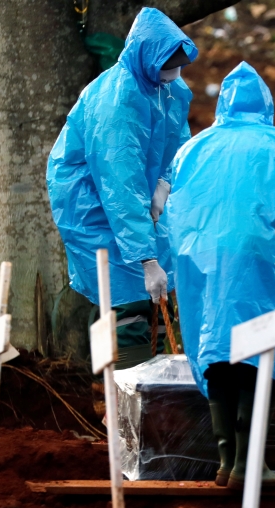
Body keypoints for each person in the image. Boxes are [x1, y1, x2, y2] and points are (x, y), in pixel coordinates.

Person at [166, 62, 275, 491]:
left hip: (199, 262)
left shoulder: (191, 148)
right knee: (256, 350)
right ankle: (252, 465)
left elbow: (175, 209)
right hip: (256, 255)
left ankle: (227, 461)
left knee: (215, 353)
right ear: (265, 105)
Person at [47, 7, 196, 369]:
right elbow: (120, 186)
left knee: (156, 298)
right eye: (168, 67)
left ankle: (152, 392)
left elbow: (179, 140)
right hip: (93, 204)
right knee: (123, 298)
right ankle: (117, 394)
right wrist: (146, 259)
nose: (174, 75)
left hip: (138, 195)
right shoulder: (117, 102)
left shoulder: (170, 88)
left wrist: (166, 181)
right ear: (147, 58)